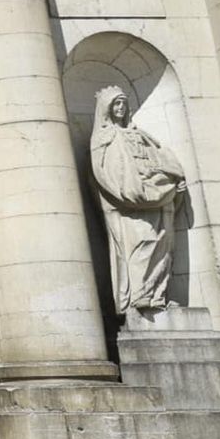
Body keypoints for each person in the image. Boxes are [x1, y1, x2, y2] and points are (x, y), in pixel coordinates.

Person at [89, 85, 188, 315]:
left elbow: (160, 158)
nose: (121, 108)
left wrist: (172, 182)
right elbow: (105, 174)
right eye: (116, 104)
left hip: (157, 196)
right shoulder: (104, 138)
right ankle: (139, 296)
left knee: (162, 246)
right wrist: (132, 191)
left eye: (123, 103)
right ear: (107, 108)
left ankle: (157, 297)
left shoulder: (141, 134)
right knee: (141, 244)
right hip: (129, 205)